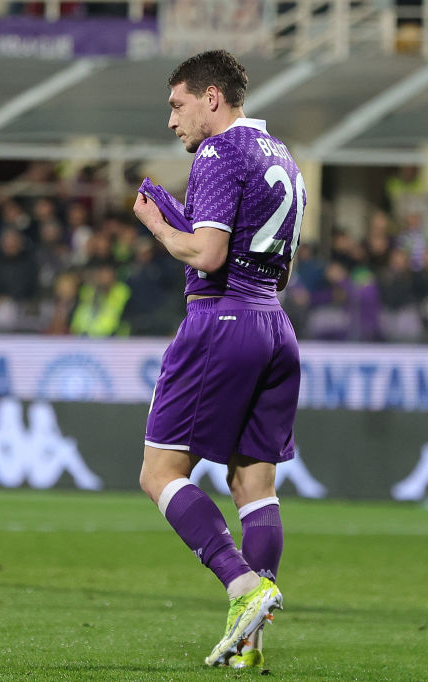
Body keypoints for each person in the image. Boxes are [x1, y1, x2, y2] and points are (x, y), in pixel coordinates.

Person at [132, 49, 305, 669]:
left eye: (178, 105)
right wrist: (178, 217)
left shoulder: (217, 151)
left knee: (159, 473)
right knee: (252, 483)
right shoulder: (282, 157)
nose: (172, 121)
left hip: (221, 320)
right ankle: (250, 647)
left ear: (211, 98)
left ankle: (242, 585)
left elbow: (206, 257)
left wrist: (158, 226)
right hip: (274, 325)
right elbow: (272, 262)